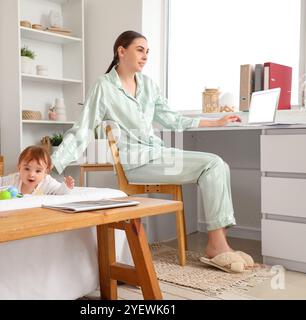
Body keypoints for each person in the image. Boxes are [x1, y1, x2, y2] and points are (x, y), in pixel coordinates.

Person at [53, 31, 254, 272]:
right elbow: (83, 128)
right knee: (214, 164)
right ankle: (217, 246)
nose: (145, 56)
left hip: (157, 154)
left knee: (217, 165)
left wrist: (215, 122)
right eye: (140, 49)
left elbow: (172, 119)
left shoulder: (148, 85)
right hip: (135, 162)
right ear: (121, 51)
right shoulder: (104, 86)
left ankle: (218, 243)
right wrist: (53, 163)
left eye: (147, 51)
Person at [0, 145, 74, 195]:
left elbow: (60, 192)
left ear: (45, 172)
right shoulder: (14, 179)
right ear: (19, 168)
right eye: (27, 169)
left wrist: (66, 187)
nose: (31, 174)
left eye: (38, 171)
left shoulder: (47, 182)